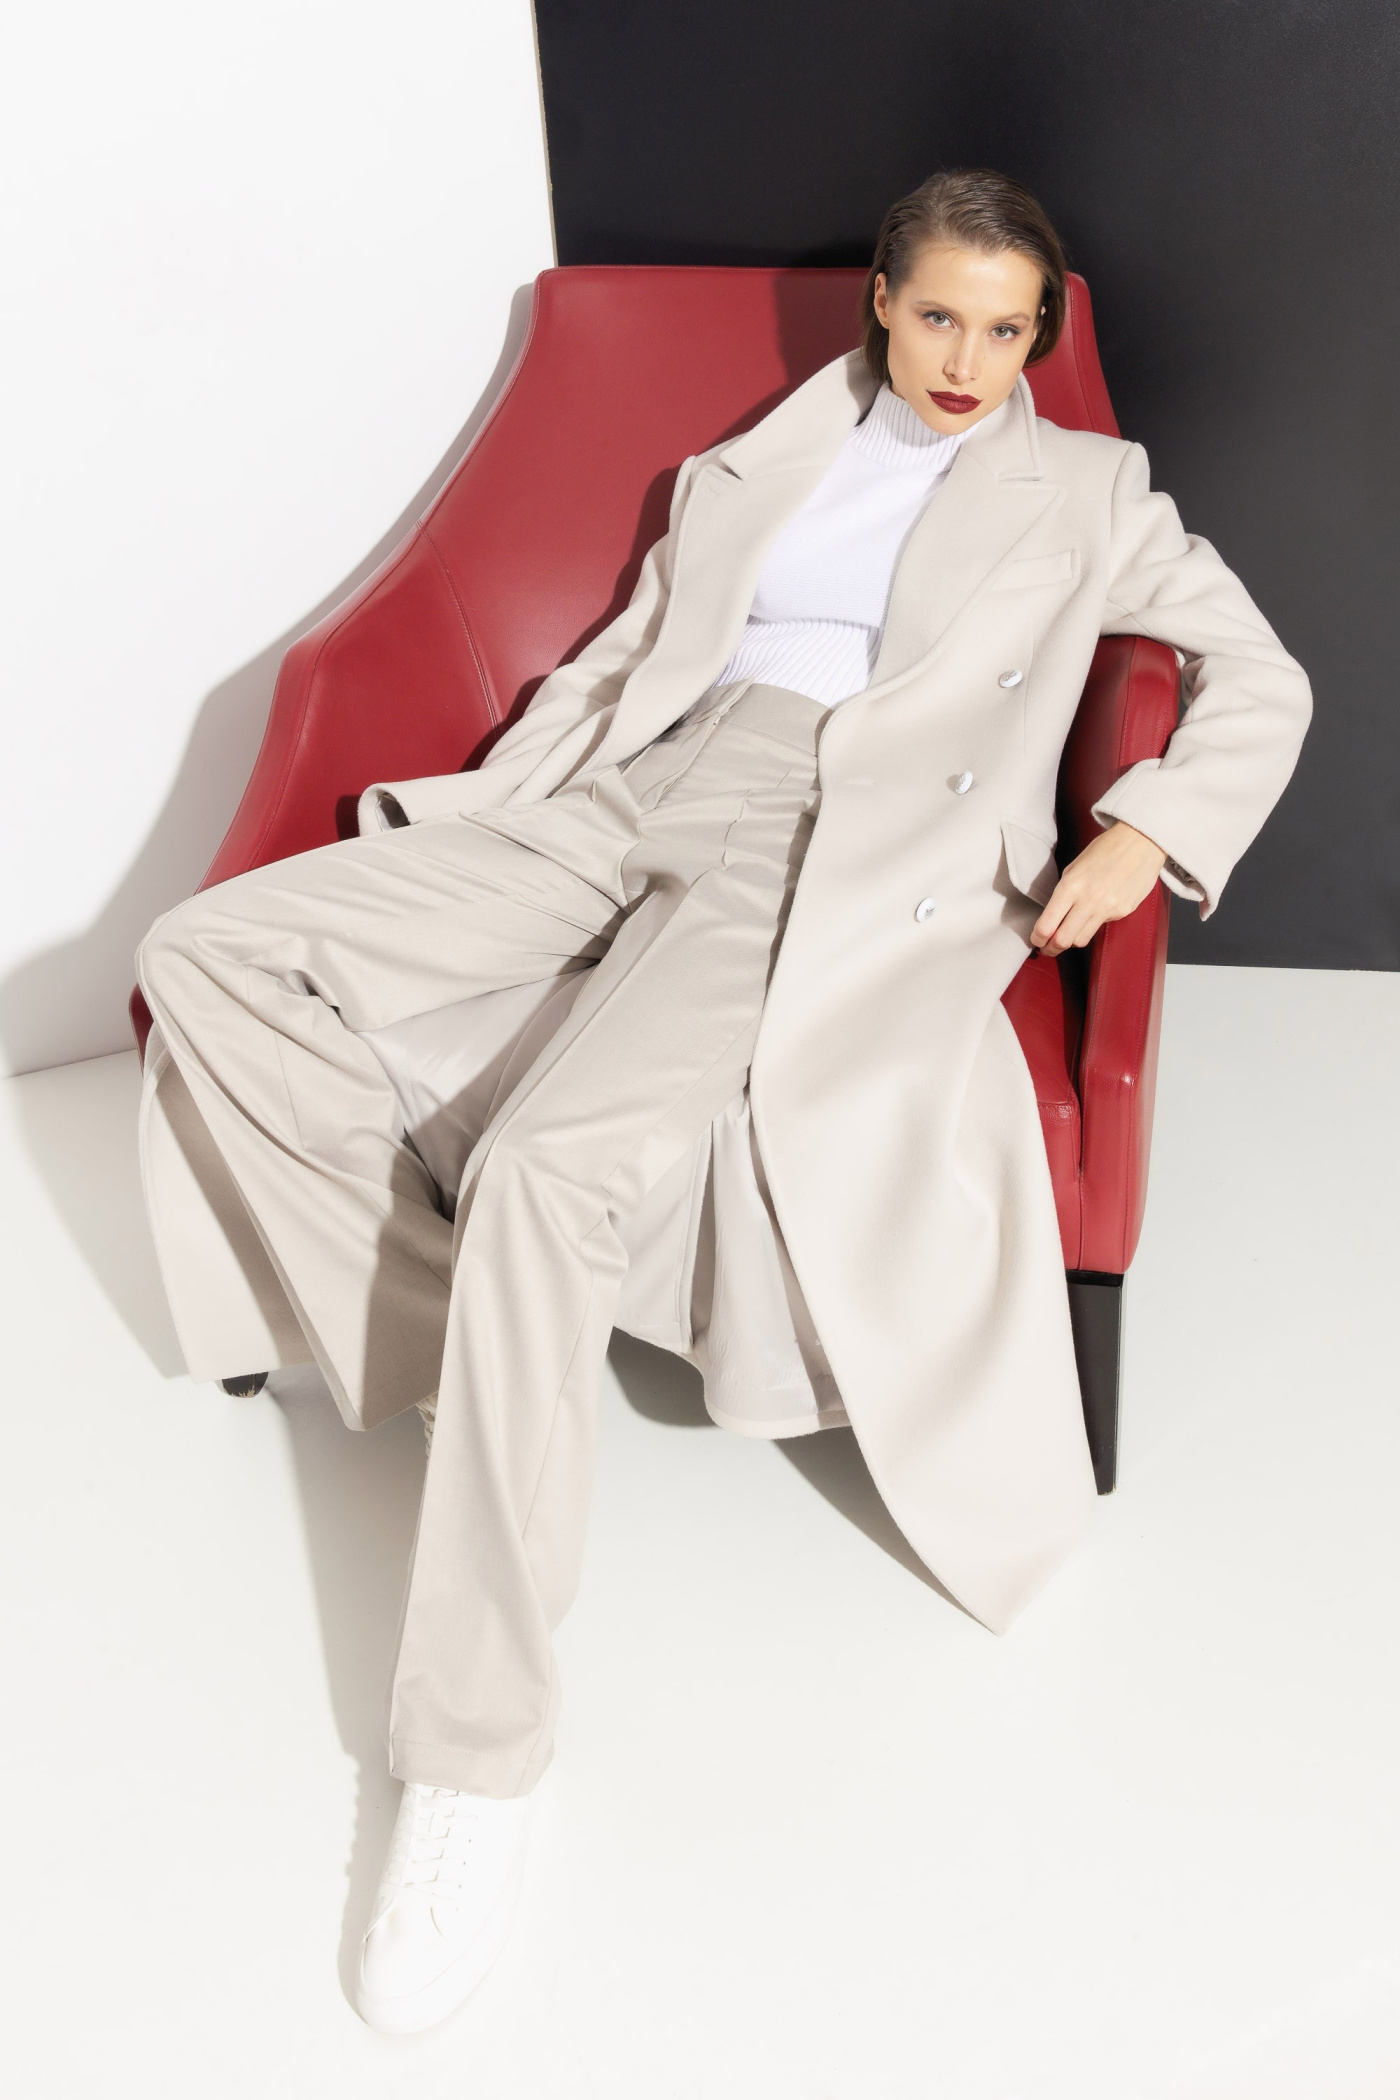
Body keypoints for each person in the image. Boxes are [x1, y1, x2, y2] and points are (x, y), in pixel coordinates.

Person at [135, 169, 1311, 2034]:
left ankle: (473, 1763)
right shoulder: (770, 452)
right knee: (211, 956)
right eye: (942, 317)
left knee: (548, 1169)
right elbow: (645, 648)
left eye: (1010, 331)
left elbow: (1262, 672)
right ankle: (454, 1352)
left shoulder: (1091, 490)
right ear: (882, 301)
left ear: (1040, 338)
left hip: (822, 832)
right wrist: (540, 786)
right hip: (627, 785)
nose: (971, 362)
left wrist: (1146, 829)